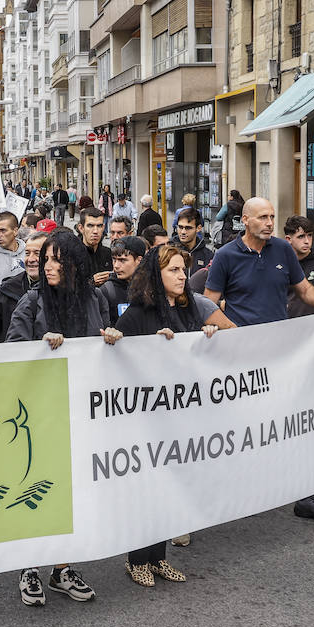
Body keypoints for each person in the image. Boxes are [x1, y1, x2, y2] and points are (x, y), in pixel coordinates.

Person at [6, 229, 122, 606]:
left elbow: (103, 347)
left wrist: (111, 339)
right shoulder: (32, 300)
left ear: (74, 263)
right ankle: (29, 566)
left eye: (58, 259)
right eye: (46, 259)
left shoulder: (95, 299)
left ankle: (61, 568)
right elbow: (12, 352)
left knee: (73, 495)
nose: (49, 265)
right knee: (35, 492)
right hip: (39, 414)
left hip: (81, 413)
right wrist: (42, 349)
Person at [114, 245, 234, 585]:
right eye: (175, 271)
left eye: (184, 270)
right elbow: (115, 354)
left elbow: (206, 350)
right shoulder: (137, 312)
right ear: (157, 275)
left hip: (181, 417)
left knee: (172, 487)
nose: (183, 277)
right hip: (146, 418)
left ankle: (158, 557)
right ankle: (137, 560)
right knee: (149, 488)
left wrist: (206, 337)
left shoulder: (190, 308)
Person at [204, 198, 314, 327]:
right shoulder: (225, 255)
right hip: (241, 340)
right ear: (245, 220)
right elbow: (209, 304)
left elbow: (305, 290)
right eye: (263, 217)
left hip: (278, 338)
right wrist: (221, 327)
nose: (270, 223)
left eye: (272, 217)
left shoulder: (283, 249)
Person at [0, 232, 46, 343]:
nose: (31, 259)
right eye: (27, 253)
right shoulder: (7, 289)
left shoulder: (60, 289)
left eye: (37, 253)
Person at [98, 235, 146, 319]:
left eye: (122, 260)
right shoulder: (107, 291)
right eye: (114, 259)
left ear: (139, 260)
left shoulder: (151, 288)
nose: (116, 266)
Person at [173, 207, 214, 276]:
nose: (183, 232)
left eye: (188, 228)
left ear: (198, 228)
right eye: (180, 227)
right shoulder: (169, 251)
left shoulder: (208, 255)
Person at [76, 207, 112, 284]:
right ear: (81, 228)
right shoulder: (73, 255)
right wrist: (91, 282)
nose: (95, 231)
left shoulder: (108, 253)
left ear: (103, 227)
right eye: (90, 226)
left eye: (99, 226)